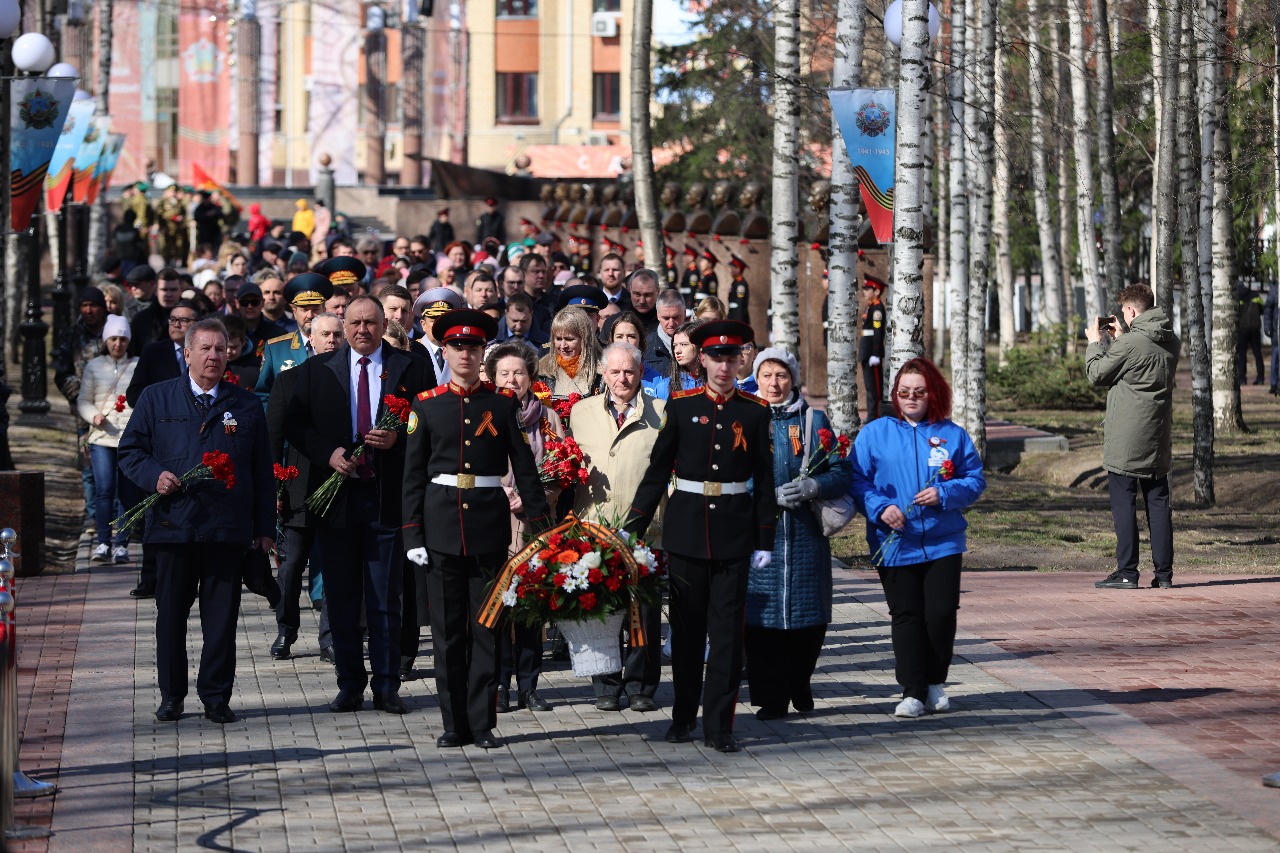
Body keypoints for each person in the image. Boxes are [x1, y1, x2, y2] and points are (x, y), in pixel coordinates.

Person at [623, 320, 777, 754]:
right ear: (702, 359)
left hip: (734, 533)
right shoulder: (682, 404)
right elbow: (657, 472)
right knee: (687, 634)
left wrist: (764, 539)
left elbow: (764, 481)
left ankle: (719, 726)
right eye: (716, 357)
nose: (723, 367)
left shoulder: (754, 410)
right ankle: (683, 715)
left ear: (739, 360)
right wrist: (632, 526)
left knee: (727, 636)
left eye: (731, 358)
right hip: (687, 532)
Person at [402, 309, 551, 750]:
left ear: (482, 352)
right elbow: (413, 476)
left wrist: (541, 528)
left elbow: (524, 469)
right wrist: (413, 535)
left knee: (486, 628)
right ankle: (453, 723)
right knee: (447, 633)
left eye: (473, 347)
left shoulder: (501, 404)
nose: (465, 354)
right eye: (457, 347)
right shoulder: (427, 405)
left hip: (488, 528)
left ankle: (482, 722)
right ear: (445, 351)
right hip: (441, 529)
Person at [118, 317, 275, 725]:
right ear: (186, 353)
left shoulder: (245, 405)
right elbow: (130, 451)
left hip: (226, 528)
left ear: (230, 354)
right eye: (204, 349)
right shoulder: (156, 399)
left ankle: (216, 697)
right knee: (171, 617)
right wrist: (155, 476)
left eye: (220, 349)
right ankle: (172, 696)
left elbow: (261, 471)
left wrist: (263, 529)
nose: (213, 356)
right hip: (174, 527)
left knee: (220, 620)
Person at [285, 297, 432, 715]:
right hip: (337, 499)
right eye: (355, 323)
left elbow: (430, 422)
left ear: (384, 323)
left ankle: (387, 686)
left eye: (371, 323)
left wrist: (400, 438)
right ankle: (350, 683)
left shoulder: (411, 366)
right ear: (344, 325)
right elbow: (296, 424)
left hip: (387, 499)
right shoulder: (317, 370)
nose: (362, 330)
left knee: (386, 599)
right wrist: (327, 453)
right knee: (343, 597)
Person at [850, 356, 986, 718]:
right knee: (907, 615)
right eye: (904, 392)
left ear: (932, 394)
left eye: (919, 392)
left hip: (943, 541)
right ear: (895, 394)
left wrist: (946, 494)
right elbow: (856, 480)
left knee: (940, 614)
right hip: (894, 541)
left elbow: (974, 479)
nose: (911, 398)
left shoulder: (952, 434)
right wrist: (880, 507)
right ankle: (912, 690)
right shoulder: (875, 433)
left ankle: (935, 683)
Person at [746, 348, 852, 720]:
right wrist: (757, 494)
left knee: (809, 617)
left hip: (806, 536)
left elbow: (841, 471)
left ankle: (800, 681)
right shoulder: (743, 418)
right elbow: (725, 470)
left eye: (782, 376)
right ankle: (771, 698)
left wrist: (812, 486)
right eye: (767, 376)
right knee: (761, 621)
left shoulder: (813, 420)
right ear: (756, 379)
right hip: (760, 538)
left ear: (793, 379)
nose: (774, 384)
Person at [572, 342, 666, 712]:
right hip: (593, 527)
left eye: (629, 371)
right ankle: (606, 684)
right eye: (615, 372)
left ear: (641, 373)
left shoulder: (661, 414)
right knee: (602, 608)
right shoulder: (580, 412)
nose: (622, 378)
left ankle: (641, 684)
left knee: (643, 609)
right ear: (603, 374)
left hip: (644, 529)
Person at [1085, 284, 1181, 590]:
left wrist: (1094, 343)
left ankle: (1127, 571)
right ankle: (1163, 575)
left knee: (1124, 504)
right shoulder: (1171, 341)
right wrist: (1123, 338)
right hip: (1157, 436)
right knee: (1158, 502)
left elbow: (1097, 374)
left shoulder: (1130, 345)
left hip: (1127, 438)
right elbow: (1143, 359)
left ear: (1129, 311)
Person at [485, 341, 563, 714]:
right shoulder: (484, 414)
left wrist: (534, 497)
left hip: (534, 524)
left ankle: (529, 685)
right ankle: (499, 682)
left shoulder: (547, 416)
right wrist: (503, 493)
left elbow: (563, 467)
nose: (513, 379)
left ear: (531, 377)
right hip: (494, 523)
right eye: (505, 373)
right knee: (499, 606)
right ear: (493, 377)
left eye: (519, 373)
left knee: (530, 609)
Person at [266, 312, 344, 664]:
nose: (332, 340)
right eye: (325, 335)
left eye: (336, 335)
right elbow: (274, 438)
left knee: (332, 567)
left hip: (339, 487)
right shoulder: (289, 380)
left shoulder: (350, 380)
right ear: (309, 339)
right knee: (291, 565)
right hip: (297, 488)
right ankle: (287, 628)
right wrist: (276, 487)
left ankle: (330, 636)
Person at [79, 315, 141, 564]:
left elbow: (142, 399)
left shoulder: (137, 364)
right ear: (106, 340)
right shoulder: (94, 366)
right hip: (102, 437)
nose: (118, 344)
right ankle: (103, 541)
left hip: (128, 438)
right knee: (104, 490)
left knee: (128, 492)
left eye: (123, 339)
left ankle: (121, 544)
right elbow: (84, 399)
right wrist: (92, 415)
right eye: (113, 338)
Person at [255, 273, 335, 405]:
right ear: (294, 312)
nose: (310, 315)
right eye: (304, 309)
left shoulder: (338, 345)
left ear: (324, 310)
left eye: (315, 309)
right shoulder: (276, 348)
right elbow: (263, 394)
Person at [536, 306, 603, 402]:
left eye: (569, 339)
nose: (563, 346)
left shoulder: (603, 371)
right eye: (558, 339)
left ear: (585, 339)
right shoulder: (542, 371)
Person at [604, 311, 666, 398]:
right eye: (619, 336)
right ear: (612, 340)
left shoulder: (656, 379)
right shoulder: (602, 377)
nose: (625, 341)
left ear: (640, 340)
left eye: (631, 336)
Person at [648, 320, 705, 401]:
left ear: (700, 346)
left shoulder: (718, 382)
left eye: (684, 345)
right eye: (675, 346)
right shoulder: (664, 387)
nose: (677, 351)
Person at [860, 276, 888, 420]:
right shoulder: (870, 306)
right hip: (866, 351)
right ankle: (871, 415)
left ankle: (875, 416)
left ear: (876, 291)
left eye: (867, 288)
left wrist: (876, 353)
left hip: (872, 352)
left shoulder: (877, 308)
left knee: (875, 388)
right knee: (869, 387)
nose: (864, 291)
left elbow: (878, 331)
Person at [646, 289, 684, 377]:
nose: (671, 323)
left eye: (676, 317)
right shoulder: (645, 346)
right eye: (666, 318)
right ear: (658, 316)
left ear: (685, 312)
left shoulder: (696, 343)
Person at [1236, 284, 1265, 386]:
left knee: (1242, 354)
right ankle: (1261, 378)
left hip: (1242, 329)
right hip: (1255, 327)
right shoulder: (1256, 296)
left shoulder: (1237, 297)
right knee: (1257, 353)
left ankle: (1242, 379)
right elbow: (1263, 309)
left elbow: (1235, 313)